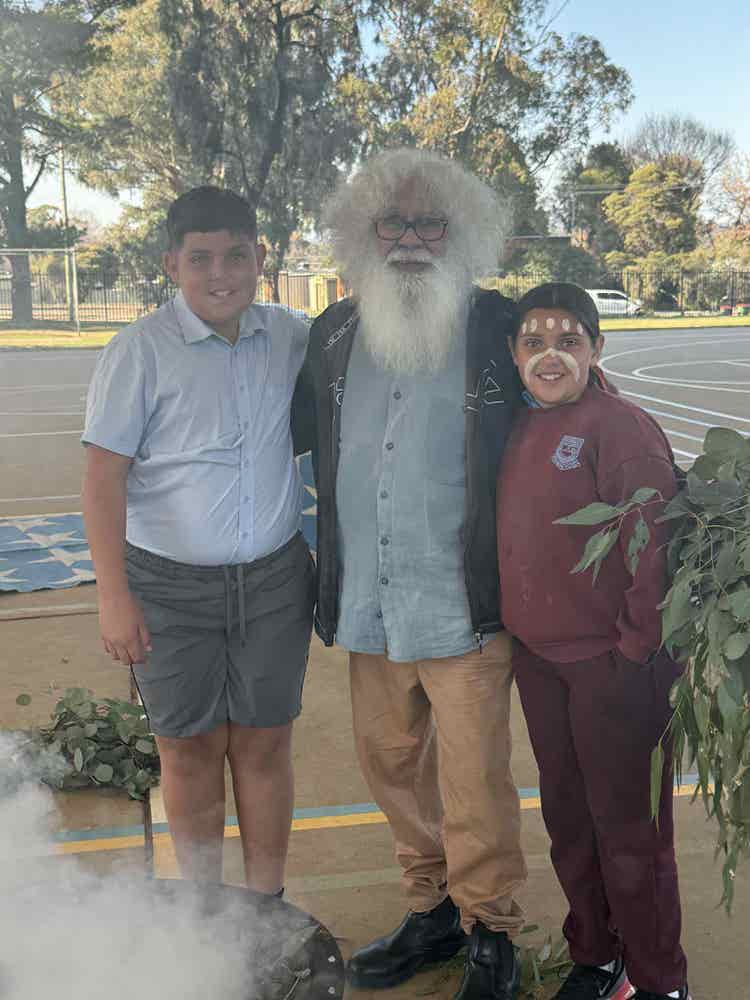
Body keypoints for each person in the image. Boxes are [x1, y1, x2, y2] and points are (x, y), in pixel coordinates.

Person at [294, 148, 526, 1000]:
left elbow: (571, 398)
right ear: (364, 232)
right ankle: (430, 910)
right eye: (392, 222)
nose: (410, 239)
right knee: (391, 764)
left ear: (461, 232)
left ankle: (491, 927)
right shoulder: (335, 330)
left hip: (465, 600)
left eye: (430, 222)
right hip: (369, 599)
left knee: (475, 780)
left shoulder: (503, 327)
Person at [81, 186, 315, 893]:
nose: (221, 275)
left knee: (266, 744)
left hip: (275, 582)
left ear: (261, 257)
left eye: (237, 256)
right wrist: (114, 596)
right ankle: (205, 915)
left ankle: (265, 905)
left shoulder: (293, 336)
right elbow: (101, 479)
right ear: (171, 265)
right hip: (168, 589)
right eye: (201, 259)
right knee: (187, 750)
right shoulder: (139, 352)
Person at [497, 282, 690, 1000]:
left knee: (630, 831)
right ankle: (598, 955)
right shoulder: (518, 429)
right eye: (534, 342)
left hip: (614, 667)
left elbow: (655, 547)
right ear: (515, 356)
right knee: (569, 818)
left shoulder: (621, 427)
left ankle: (659, 978)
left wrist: (635, 651)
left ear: (596, 348)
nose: (551, 355)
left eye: (568, 340)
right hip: (542, 663)